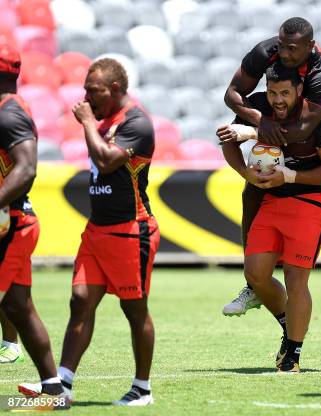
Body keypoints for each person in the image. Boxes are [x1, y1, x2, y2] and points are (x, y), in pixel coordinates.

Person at [18, 58, 159, 406]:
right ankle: (62, 385)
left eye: (92, 91)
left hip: (131, 230)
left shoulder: (137, 123)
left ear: (114, 89)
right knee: (80, 300)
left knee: (134, 309)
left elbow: (108, 160)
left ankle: (142, 388)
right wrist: (91, 123)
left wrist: (85, 124)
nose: (85, 98)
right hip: (98, 230)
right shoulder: (107, 120)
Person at [221, 17, 321, 322]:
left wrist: (250, 132)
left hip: (319, 124)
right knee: (252, 193)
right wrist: (260, 120)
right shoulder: (265, 52)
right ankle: (253, 286)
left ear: (310, 47)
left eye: (294, 49)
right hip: (278, 115)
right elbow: (231, 95)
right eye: (283, 46)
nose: (285, 54)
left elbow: (301, 129)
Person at [218, 61, 321, 372]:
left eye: (285, 92)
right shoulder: (256, 105)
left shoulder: (319, 116)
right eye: (273, 93)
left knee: (296, 279)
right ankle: (289, 323)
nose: (279, 100)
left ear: (299, 89)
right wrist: (246, 172)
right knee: (255, 274)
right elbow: (229, 141)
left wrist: (289, 177)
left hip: (310, 201)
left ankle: (293, 355)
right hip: (271, 200)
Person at [0, 42, 68, 406]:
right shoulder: (6, 108)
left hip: (13, 224)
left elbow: (26, 168)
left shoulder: (9, 114)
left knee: (16, 307)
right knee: (18, 308)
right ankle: (54, 390)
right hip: (11, 222)